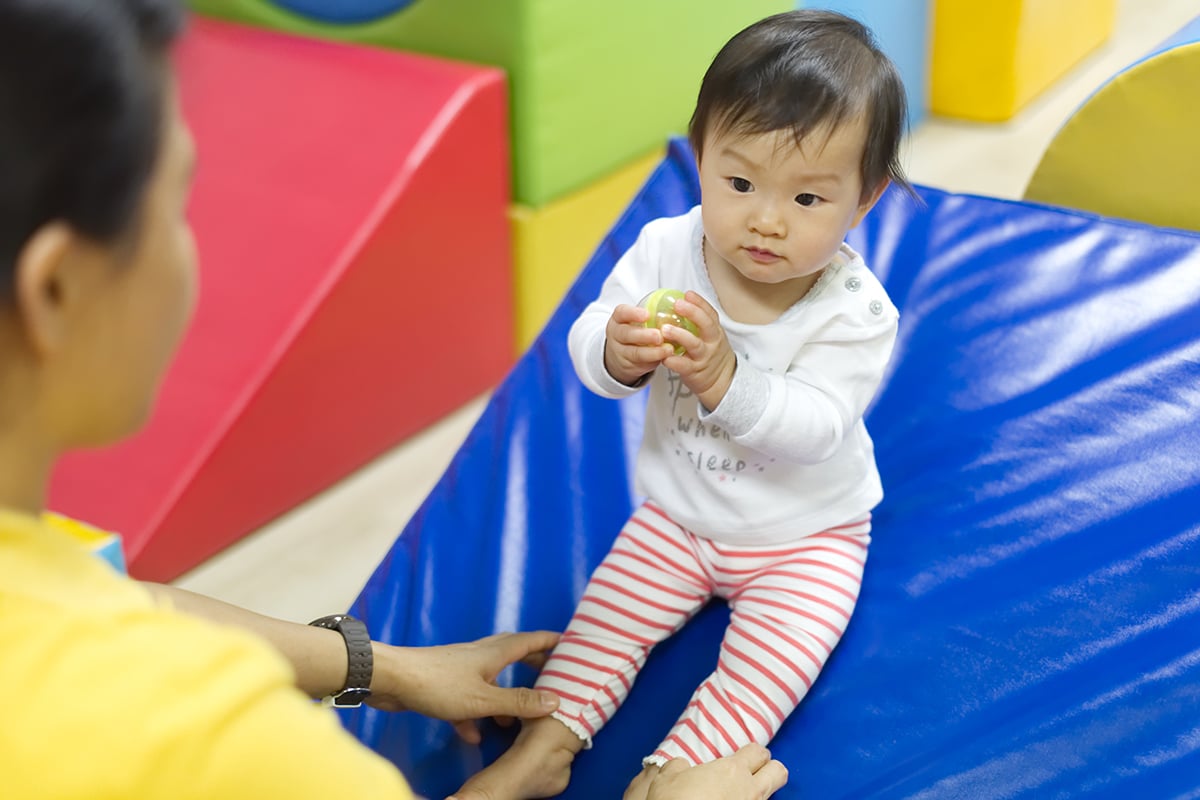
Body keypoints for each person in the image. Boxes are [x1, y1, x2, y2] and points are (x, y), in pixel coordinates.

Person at [0, 1, 787, 798]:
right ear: (58, 288)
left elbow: (119, 605)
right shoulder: (238, 751)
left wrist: (377, 666)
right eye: (175, 206)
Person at [453, 10, 911, 800]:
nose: (766, 219)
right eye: (739, 183)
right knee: (599, 632)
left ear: (862, 203)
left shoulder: (854, 312)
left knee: (762, 675)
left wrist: (728, 380)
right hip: (676, 515)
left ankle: (668, 780)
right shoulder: (668, 247)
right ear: (700, 159)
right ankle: (543, 748)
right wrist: (614, 352)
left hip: (805, 538)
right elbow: (592, 336)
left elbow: (818, 430)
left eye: (807, 198)